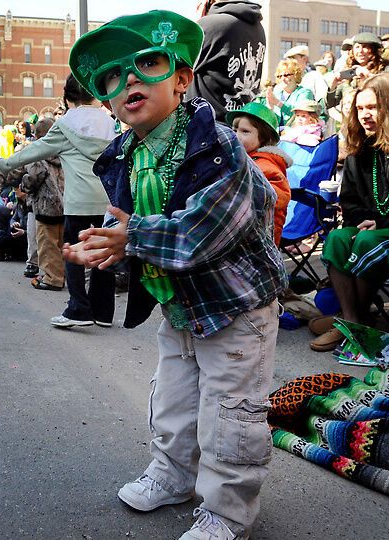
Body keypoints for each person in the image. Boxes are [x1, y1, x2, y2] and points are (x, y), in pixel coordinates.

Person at [66, 10, 286, 539]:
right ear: (109, 101)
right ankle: (171, 475)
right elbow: (123, 221)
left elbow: (204, 231)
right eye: (113, 77)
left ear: (183, 79)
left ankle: (226, 511)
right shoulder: (124, 155)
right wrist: (105, 247)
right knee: (172, 401)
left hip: (236, 309)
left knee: (230, 415)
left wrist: (132, 238)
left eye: (148, 63)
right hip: (181, 306)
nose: (131, 80)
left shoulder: (220, 147)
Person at [0, 74, 117, 329]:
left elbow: (35, 150)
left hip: (78, 201)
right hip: (107, 199)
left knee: (74, 252)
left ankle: (78, 309)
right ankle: (103, 312)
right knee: (103, 253)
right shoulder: (109, 122)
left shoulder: (66, 124)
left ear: (67, 96)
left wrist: (4, 163)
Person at [310, 73, 389, 352]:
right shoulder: (360, 150)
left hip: (383, 230)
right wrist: (361, 220)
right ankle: (355, 320)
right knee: (337, 238)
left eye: (372, 107)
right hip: (373, 227)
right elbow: (350, 200)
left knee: (366, 242)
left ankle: (348, 322)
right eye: (360, 108)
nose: (364, 115)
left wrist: (378, 221)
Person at [186, 0, 266, 122]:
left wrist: (196, 26)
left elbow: (176, 71)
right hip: (238, 126)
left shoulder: (211, 24)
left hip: (204, 126)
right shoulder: (259, 29)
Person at [226, 102, 291, 245]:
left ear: (264, 138)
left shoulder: (266, 166)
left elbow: (277, 199)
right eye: (234, 129)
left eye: (245, 131)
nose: (236, 136)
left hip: (260, 241)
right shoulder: (241, 158)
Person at [20, 117, 66, 291]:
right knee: (61, 243)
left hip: (46, 205)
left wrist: (23, 186)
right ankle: (61, 275)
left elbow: (33, 178)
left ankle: (51, 278)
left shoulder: (40, 153)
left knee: (47, 245)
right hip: (65, 203)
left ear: (38, 137)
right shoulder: (64, 150)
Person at [263, 57, 315, 127]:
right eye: (279, 76)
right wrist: (270, 108)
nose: (283, 78)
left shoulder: (305, 92)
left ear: (296, 75)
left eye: (286, 75)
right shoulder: (276, 94)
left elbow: (300, 113)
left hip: (296, 134)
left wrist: (277, 102)